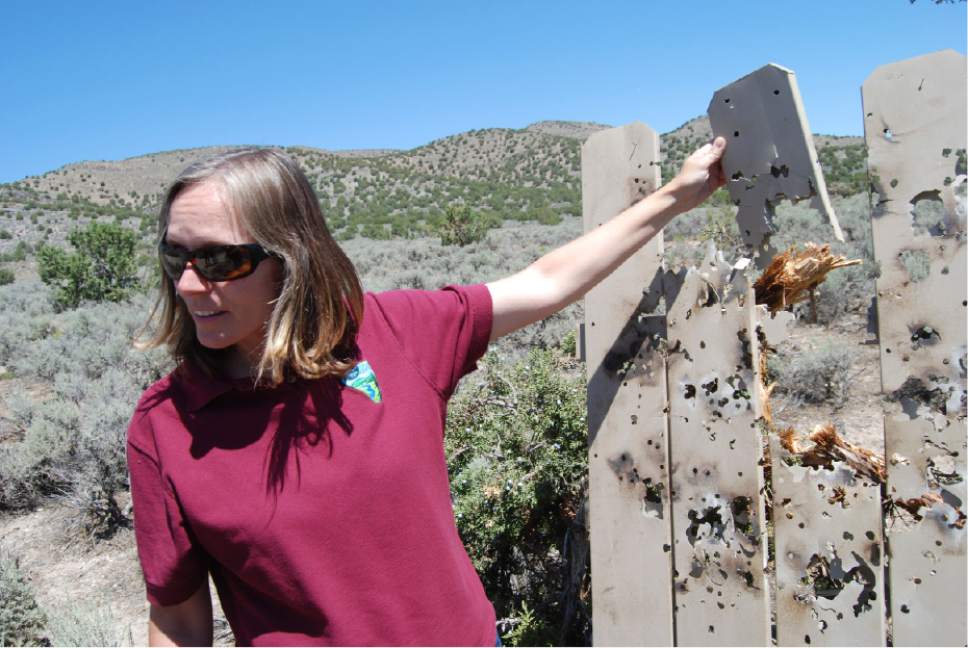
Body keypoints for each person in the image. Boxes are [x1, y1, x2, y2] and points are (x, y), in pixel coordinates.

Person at [127, 136, 727, 646]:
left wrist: (677, 196)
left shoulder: (393, 334)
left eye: (219, 261)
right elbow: (178, 617)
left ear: (291, 257)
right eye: (174, 256)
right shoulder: (167, 426)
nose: (186, 284)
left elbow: (545, 283)